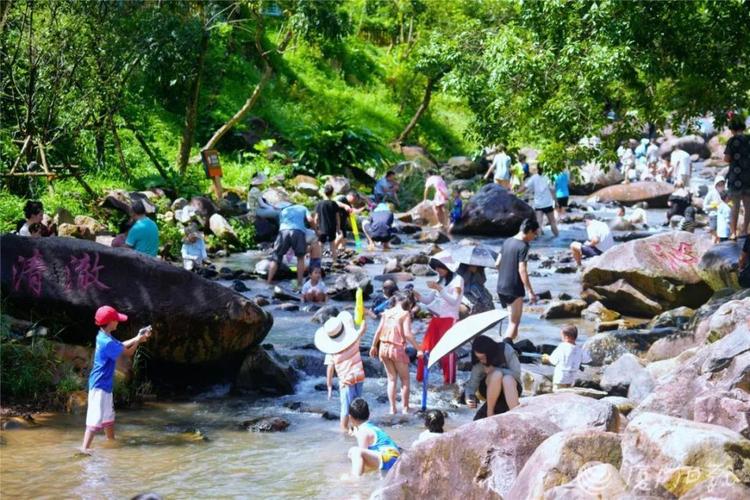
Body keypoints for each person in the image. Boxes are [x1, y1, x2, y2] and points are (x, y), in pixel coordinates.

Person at [80, 306, 152, 453]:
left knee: (108, 418)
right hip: (99, 385)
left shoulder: (104, 336)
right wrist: (139, 339)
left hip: (105, 385)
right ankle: (84, 450)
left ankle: (111, 444)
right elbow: (126, 352)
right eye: (117, 320)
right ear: (111, 322)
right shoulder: (106, 342)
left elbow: (124, 347)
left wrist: (138, 338)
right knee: (95, 419)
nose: (119, 322)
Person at [369, 291, 421, 415]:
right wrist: (419, 348)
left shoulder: (386, 313)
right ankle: (405, 408)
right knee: (405, 380)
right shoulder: (405, 314)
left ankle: (392, 409)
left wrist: (373, 346)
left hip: (383, 348)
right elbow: (408, 334)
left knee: (391, 379)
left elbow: (378, 331)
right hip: (396, 349)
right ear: (407, 304)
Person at [415, 258, 464, 385]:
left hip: (449, 319)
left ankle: (449, 382)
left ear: (448, 266)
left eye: (440, 267)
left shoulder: (458, 280)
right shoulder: (439, 280)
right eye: (436, 268)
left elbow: (454, 301)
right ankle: (421, 380)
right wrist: (417, 296)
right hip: (436, 319)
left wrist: (439, 289)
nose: (438, 270)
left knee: (447, 353)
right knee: (424, 350)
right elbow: (427, 300)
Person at [315, 312, 367, 432]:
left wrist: (329, 386)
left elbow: (330, 368)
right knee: (357, 403)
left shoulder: (331, 350)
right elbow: (363, 328)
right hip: (359, 375)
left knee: (345, 407)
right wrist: (363, 315)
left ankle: (344, 430)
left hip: (345, 381)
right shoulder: (354, 340)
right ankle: (356, 427)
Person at [495, 218, 539, 341]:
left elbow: (497, 263)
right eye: (535, 233)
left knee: (511, 321)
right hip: (513, 288)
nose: (535, 237)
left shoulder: (507, 241)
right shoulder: (523, 246)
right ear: (529, 231)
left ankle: (509, 346)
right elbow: (522, 270)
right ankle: (505, 349)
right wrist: (530, 291)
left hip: (501, 286)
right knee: (514, 323)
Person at [468, 336, 521, 420]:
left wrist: (494, 369)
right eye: (478, 358)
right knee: (496, 375)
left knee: (506, 378)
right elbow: (471, 386)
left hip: (512, 386)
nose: (481, 361)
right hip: (488, 388)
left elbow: (517, 374)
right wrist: (468, 398)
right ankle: (490, 412)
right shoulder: (478, 362)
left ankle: (515, 415)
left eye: (483, 358)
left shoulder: (505, 349)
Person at [346, 398, 400, 476]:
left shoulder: (363, 431)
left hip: (389, 458)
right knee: (352, 453)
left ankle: (355, 480)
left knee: (354, 451)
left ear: (350, 417)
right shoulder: (371, 427)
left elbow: (362, 455)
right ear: (369, 414)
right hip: (393, 458)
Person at [267, 203, 314, 288]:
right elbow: (310, 220)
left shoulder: (284, 210)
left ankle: (268, 282)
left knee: (276, 257)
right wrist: (316, 230)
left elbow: (280, 224)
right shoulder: (303, 207)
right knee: (300, 258)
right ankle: (300, 284)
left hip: (283, 231)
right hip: (298, 232)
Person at [541, 325, 591, 391]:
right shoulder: (579, 349)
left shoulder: (562, 347)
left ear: (566, 337)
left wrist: (547, 358)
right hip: (571, 379)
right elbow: (587, 360)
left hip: (560, 379)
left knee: (558, 393)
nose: (561, 338)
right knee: (567, 394)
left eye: (562, 336)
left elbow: (554, 361)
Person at [724, 116, 750, 239]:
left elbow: (727, 159)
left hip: (735, 177)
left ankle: (733, 233)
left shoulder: (732, 141)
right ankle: (745, 230)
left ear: (733, 129)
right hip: (748, 176)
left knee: (735, 205)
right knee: (748, 205)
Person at [521, 165, 559, 237]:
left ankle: (540, 243)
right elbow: (552, 190)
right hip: (548, 204)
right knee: (552, 223)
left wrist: (516, 193)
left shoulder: (534, 177)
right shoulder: (549, 177)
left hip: (538, 205)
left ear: (537, 169)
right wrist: (556, 202)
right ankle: (558, 238)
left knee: (539, 224)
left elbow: (525, 187)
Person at [315, 185, 343, 261]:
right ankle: (335, 262)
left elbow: (316, 218)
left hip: (322, 228)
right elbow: (338, 218)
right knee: (333, 246)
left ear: (324, 192)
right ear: (332, 193)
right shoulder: (334, 204)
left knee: (321, 245)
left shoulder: (319, 204)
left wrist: (315, 228)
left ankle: (319, 264)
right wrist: (338, 228)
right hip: (331, 228)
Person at [703, 176, 725, 242]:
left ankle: (716, 247)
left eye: (722, 184)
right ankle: (712, 247)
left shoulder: (723, 193)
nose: (721, 186)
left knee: (719, 233)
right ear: (716, 184)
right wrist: (713, 206)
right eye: (719, 184)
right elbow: (704, 205)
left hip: (721, 216)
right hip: (713, 216)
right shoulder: (711, 193)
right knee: (714, 233)